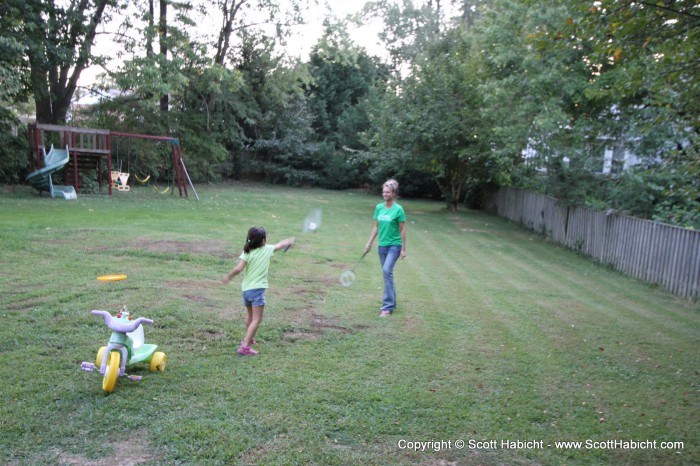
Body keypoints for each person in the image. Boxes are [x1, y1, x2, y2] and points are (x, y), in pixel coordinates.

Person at [222, 226, 296, 355]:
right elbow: (280, 244)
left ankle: (248, 340)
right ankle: (245, 347)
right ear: (263, 241)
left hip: (246, 290)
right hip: (256, 291)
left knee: (250, 317)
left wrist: (228, 276)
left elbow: (239, 269)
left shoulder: (247, 251)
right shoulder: (267, 249)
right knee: (257, 319)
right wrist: (290, 240)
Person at [364, 179, 407, 317]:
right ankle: (391, 302)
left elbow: (402, 230)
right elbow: (376, 226)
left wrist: (404, 249)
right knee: (387, 274)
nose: (385, 194)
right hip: (382, 246)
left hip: (394, 245)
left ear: (393, 193)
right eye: (383, 192)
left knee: (386, 270)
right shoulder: (379, 208)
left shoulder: (398, 209)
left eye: (388, 192)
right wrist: (369, 243)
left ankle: (387, 307)